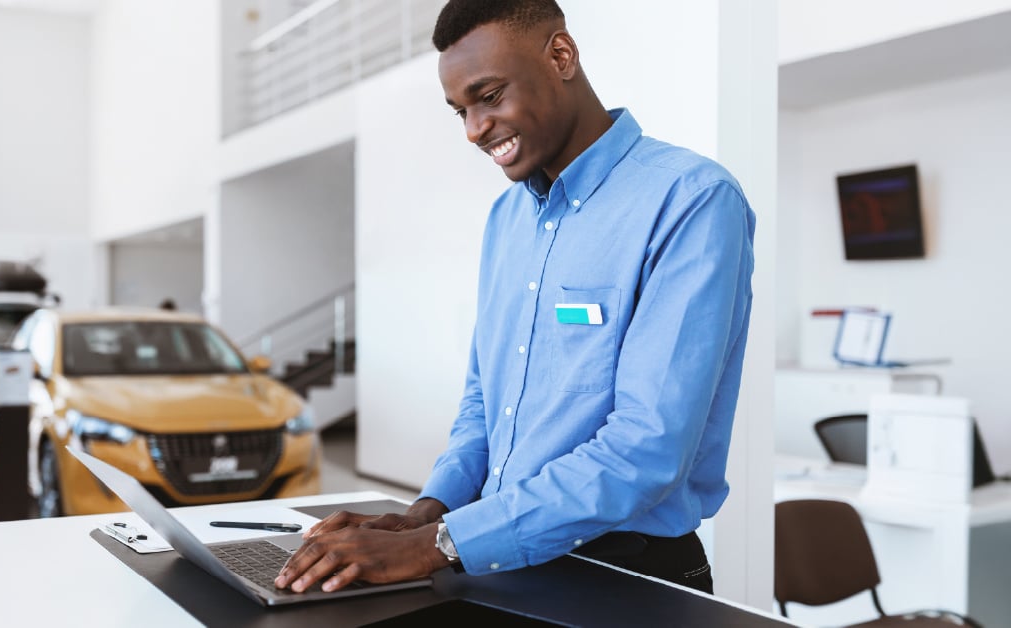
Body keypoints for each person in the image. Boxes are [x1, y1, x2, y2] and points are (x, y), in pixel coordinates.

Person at [275, 0, 754, 596]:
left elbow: (646, 450)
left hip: (627, 576)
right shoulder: (506, 220)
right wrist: (428, 511)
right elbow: (485, 401)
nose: (476, 129)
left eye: (490, 96)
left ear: (561, 55)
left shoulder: (691, 199)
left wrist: (436, 545)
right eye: (461, 112)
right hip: (499, 560)